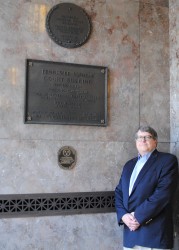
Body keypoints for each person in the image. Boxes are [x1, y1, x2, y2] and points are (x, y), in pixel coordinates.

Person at [115, 125, 179, 250]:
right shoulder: (129, 165)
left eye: (147, 137)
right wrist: (123, 215)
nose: (143, 140)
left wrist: (137, 217)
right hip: (130, 235)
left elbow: (162, 194)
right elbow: (119, 192)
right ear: (135, 142)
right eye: (139, 137)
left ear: (155, 141)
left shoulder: (167, 161)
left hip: (154, 235)